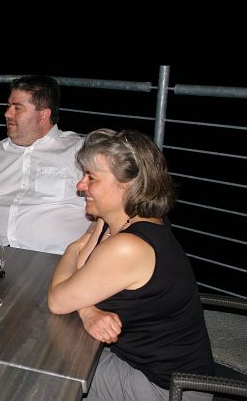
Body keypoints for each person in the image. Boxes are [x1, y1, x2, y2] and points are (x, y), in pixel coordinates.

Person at [47, 129, 213, 401]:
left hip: (166, 389)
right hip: (148, 367)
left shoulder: (128, 247)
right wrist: (88, 311)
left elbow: (58, 299)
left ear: (126, 185)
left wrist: (72, 249)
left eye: (91, 177)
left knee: (49, 367)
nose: (80, 185)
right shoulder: (124, 221)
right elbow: (80, 271)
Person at [0, 74, 91, 254]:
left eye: (17, 108)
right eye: (8, 106)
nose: (7, 113)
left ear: (43, 115)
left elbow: (106, 210)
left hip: (55, 259)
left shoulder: (78, 151)